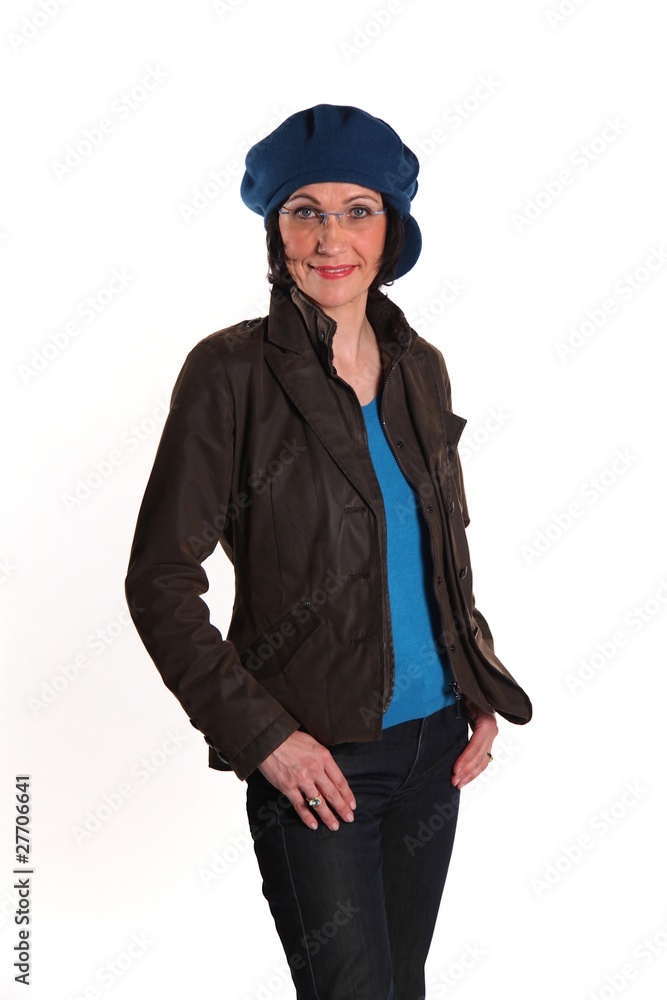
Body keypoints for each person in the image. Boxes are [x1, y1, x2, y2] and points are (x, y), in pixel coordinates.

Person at [125, 104, 532, 1000]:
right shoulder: (230, 373)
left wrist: (476, 676)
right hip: (318, 761)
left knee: (401, 986)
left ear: (392, 228)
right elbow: (159, 581)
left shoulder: (419, 366)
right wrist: (265, 739)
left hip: (434, 748)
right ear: (276, 230)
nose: (330, 238)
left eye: (357, 210)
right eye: (305, 211)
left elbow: (438, 549)